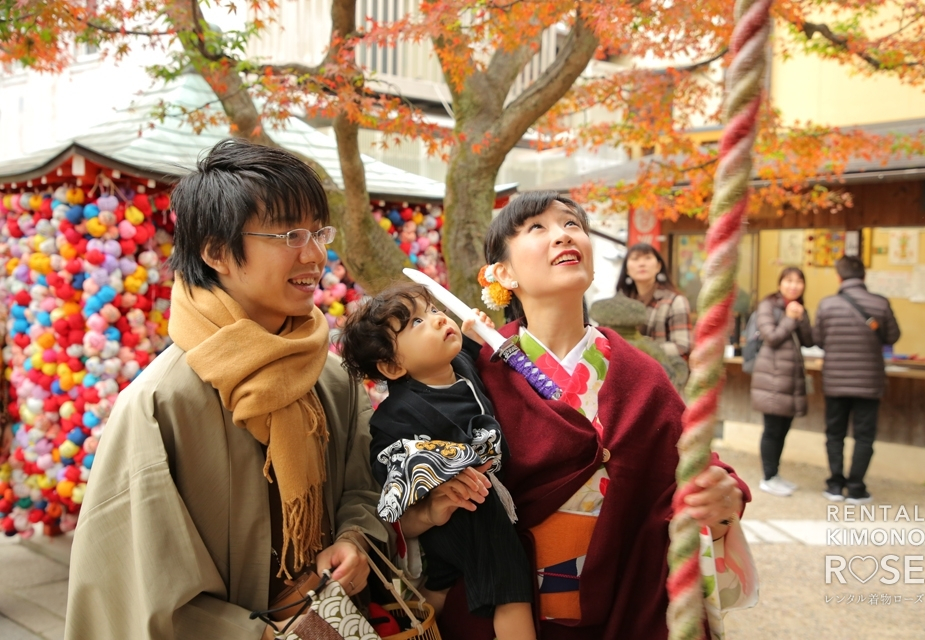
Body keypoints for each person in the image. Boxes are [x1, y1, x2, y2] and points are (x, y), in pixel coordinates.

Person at [65, 139, 388, 639]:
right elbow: (132, 583)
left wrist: (355, 540)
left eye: (318, 231)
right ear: (216, 251)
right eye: (288, 234)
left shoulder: (329, 376)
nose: (314, 254)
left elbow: (361, 486)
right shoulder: (160, 403)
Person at [400, 191, 757, 640]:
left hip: (625, 602)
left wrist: (723, 503)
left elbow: (695, 470)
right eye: (537, 228)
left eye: (572, 225)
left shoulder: (639, 373)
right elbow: (413, 474)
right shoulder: (470, 373)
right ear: (502, 273)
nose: (563, 236)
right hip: (502, 609)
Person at [338, 282, 535, 640]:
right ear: (392, 366)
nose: (436, 318)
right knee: (510, 582)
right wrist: (431, 506)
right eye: (415, 322)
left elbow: (475, 345)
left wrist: (473, 327)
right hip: (460, 508)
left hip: (476, 492)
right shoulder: (394, 420)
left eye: (431, 309)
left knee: (440, 582)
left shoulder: (458, 363)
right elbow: (395, 505)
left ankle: (416, 630)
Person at [814, 256, 901, 505]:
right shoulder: (880, 303)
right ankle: (855, 488)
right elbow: (893, 336)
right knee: (863, 436)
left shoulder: (827, 305)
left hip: (835, 381)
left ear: (838, 277)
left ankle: (834, 485)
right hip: (868, 382)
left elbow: (818, 339)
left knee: (835, 434)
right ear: (864, 276)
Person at [749, 267, 814, 497]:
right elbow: (772, 337)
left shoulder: (797, 308)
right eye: (788, 281)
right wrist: (790, 318)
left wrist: (801, 317)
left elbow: (808, 340)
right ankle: (767, 477)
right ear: (780, 284)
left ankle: (775, 474)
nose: (794, 285)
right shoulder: (768, 305)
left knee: (783, 430)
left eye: (798, 281)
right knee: (772, 429)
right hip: (772, 378)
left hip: (789, 380)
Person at [615, 242, 692, 360]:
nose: (641, 264)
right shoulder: (618, 304)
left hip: (659, 373)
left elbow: (682, 347)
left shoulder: (675, 301)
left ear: (658, 266)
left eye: (647, 258)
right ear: (627, 270)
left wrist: (642, 348)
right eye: (635, 259)